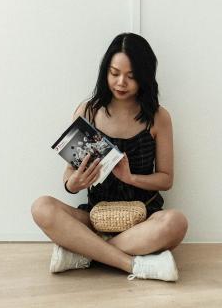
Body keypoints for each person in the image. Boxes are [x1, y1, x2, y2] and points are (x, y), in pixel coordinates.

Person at [31, 33, 188, 282]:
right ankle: (132, 263)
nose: (121, 83)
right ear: (105, 71)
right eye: (114, 73)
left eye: (131, 76)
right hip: (96, 216)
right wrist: (75, 183)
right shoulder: (88, 112)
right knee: (41, 207)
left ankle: (84, 253)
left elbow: (166, 179)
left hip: (142, 220)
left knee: (176, 223)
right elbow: (69, 177)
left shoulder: (159, 117)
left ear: (144, 77)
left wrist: (131, 177)